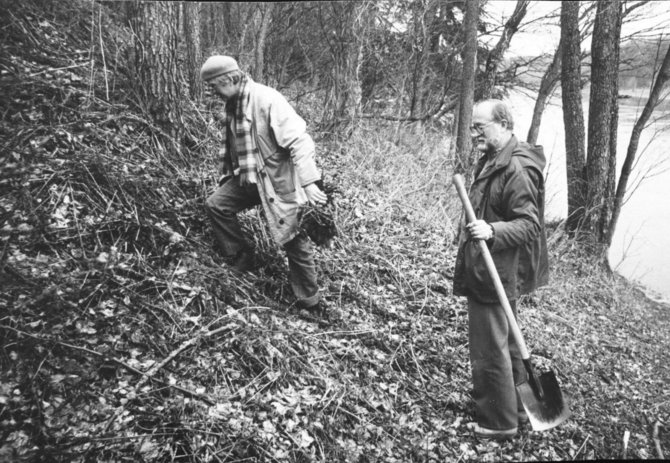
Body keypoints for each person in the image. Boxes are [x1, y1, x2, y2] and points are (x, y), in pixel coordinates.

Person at [200, 55, 329, 319]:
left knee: (294, 239)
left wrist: (310, 182)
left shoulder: (267, 99)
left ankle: (311, 303)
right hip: (250, 177)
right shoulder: (234, 103)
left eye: (215, 86)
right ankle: (242, 257)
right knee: (217, 205)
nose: (213, 92)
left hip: (279, 182)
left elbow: (300, 141)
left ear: (230, 79)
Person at [453, 99, 549, 440]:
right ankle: (522, 410)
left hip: (499, 269)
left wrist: (492, 230)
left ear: (504, 123)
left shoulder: (517, 169)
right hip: (491, 265)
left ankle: (497, 422)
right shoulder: (495, 157)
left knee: (489, 347)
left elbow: (529, 225)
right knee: (507, 343)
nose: (475, 134)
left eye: (481, 128)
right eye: (473, 128)